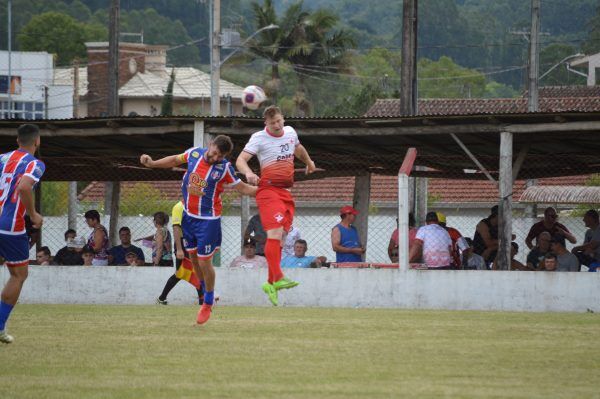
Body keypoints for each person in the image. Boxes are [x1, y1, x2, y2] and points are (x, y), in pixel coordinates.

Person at [140, 134, 257, 324]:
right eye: (215, 153)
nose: (216, 158)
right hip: (188, 217)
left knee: (204, 262)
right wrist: (152, 163)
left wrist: (266, 191)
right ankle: (204, 289)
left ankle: (208, 302)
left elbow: (242, 188)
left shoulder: (224, 168)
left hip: (208, 220)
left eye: (220, 156)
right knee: (193, 258)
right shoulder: (194, 154)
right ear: (209, 146)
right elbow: (173, 160)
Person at [236, 105, 316, 306]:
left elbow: (297, 148)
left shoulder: (290, 132)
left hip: (285, 193)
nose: (277, 125)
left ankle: (270, 283)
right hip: (268, 191)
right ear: (266, 124)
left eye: (279, 121)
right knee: (274, 234)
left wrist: (309, 162)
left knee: (280, 240)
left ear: (283, 118)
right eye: (273, 123)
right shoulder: (258, 138)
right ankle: (279, 277)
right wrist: (248, 173)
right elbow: (240, 160)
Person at [0, 124, 45, 344]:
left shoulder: (1, 159)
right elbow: (25, 187)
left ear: (18, 141)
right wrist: (34, 215)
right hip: (10, 225)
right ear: (37, 141)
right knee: (19, 275)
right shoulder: (35, 163)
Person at [157, 201, 204, 306]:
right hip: (183, 243)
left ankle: (161, 298)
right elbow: (176, 228)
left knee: (182, 273)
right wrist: (179, 249)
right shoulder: (179, 207)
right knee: (190, 272)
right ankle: (203, 301)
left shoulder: (198, 205)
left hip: (194, 242)